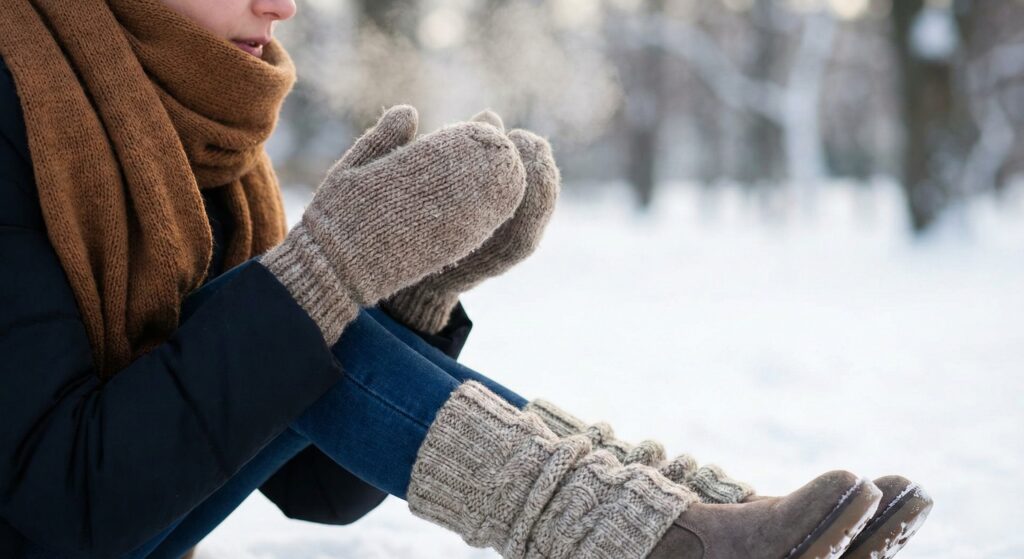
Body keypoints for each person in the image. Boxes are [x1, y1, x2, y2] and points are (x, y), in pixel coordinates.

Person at [0, 0, 933, 558]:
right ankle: (650, 540)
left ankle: (685, 518)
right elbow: (59, 499)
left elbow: (317, 485)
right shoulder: (19, 105)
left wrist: (406, 300)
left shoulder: (192, 132)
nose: (282, 5)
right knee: (281, 315)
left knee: (294, 323)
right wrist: (322, 272)